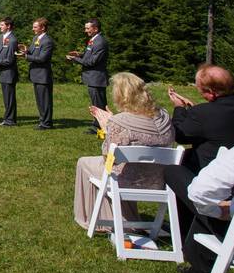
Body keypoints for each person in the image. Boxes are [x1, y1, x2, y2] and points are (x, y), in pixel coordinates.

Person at [166, 86, 234, 273]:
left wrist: (221, 210)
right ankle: (199, 267)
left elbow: (199, 193)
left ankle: (199, 269)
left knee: (186, 183)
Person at [73, 72, 175, 230]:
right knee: (125, 167)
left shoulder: (120, 122)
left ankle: (91, 220)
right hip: (158, 180)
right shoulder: (164, 116)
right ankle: (125, 218)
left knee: (84, 162)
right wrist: (114, 122)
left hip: (126, 180)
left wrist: (108, 127)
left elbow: (108, 157)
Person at [167, 64, 234, 173]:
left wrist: (179, 108)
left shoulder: (202, 113)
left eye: (200, 90)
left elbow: (180, 136)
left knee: (171, 171)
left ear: (210, 92)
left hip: (214, 174)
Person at [67, 18, 109, 134]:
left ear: (95, 29)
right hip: (93, 78)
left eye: (88, 28)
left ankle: (100, 127)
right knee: (96, 103)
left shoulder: (100, 41)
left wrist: (75, 59)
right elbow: (89, 56)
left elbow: (92, 62)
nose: (85, 30)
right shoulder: (93, 40)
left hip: (97, 78)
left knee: (99, 104)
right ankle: (97, 125)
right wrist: (80, 54)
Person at [23, 17, 54, 129]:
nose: (33, 29)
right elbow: (32, 52)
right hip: (36, 74)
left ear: (43, 28)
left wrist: (26, 56)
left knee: (45, 100)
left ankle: (47, 123)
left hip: (43, 75)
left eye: (35, 27)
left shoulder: (47, 41)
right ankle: (42, 121)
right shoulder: (36, 38)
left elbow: (42, 58)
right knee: (40, 100)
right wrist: (25, 50)